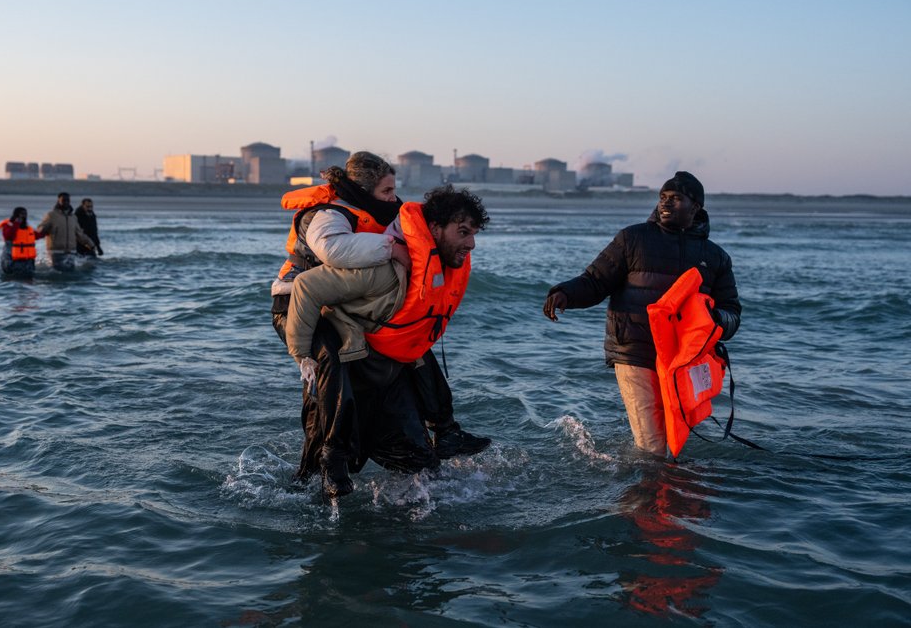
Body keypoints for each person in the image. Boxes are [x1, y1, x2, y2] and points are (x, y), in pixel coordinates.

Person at [285, 184, 492, 480]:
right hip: (351, 375)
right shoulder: (382, 269)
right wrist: (302, 357)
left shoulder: (431, 270)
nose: (471, 244)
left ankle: (445, 437)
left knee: (424, 468)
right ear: (434, 228)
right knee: (319, 475)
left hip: (387, 375)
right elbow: (306, 287)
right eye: (463, 232)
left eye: (473, 234)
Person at [542, 171, 741, 457]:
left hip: (682, 362)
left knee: (672, 445)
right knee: (652, 445)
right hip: (634, 350)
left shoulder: (715, 257)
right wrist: (565, 294)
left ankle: (654, 492)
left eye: (676, 199)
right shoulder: (633, 239)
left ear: (695, 207)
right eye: (663, 197)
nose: (666, 204)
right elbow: (595, 281)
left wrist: (714, 319)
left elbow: (732, 313)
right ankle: (646, 496)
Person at [270, 152, 407, 497]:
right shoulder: (328, 214)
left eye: (394, 190)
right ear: (363, 191)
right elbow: (333, 250)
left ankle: (431, 434)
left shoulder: (373, 213)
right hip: (293, 304)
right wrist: (390, 249)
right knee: (329, 362)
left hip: (330, 307)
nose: (394, 200)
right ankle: (327, 460)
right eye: (387, 191)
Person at [37, 192, 96, 271]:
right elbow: (40, 229)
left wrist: (91, 244)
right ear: (59, 201)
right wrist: (42, 230)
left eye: (68, 200)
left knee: (70, 274)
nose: (66, 202)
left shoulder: (73, 217)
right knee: (57, 274)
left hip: (71, 252)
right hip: (56, 252)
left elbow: (80, 235)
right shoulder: (51, 215)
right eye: (63, 200)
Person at [0, 206, 45, 277]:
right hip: (11, 259)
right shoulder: (8, 225)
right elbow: (8, 236)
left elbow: (38, 235)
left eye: (25, 214)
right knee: (12, 279)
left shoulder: (27, 229)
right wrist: (16, 223)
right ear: (15, 215)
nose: (23, 216)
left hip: (27, 261)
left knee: (28, 281)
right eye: (21, 214)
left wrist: (47, 231)